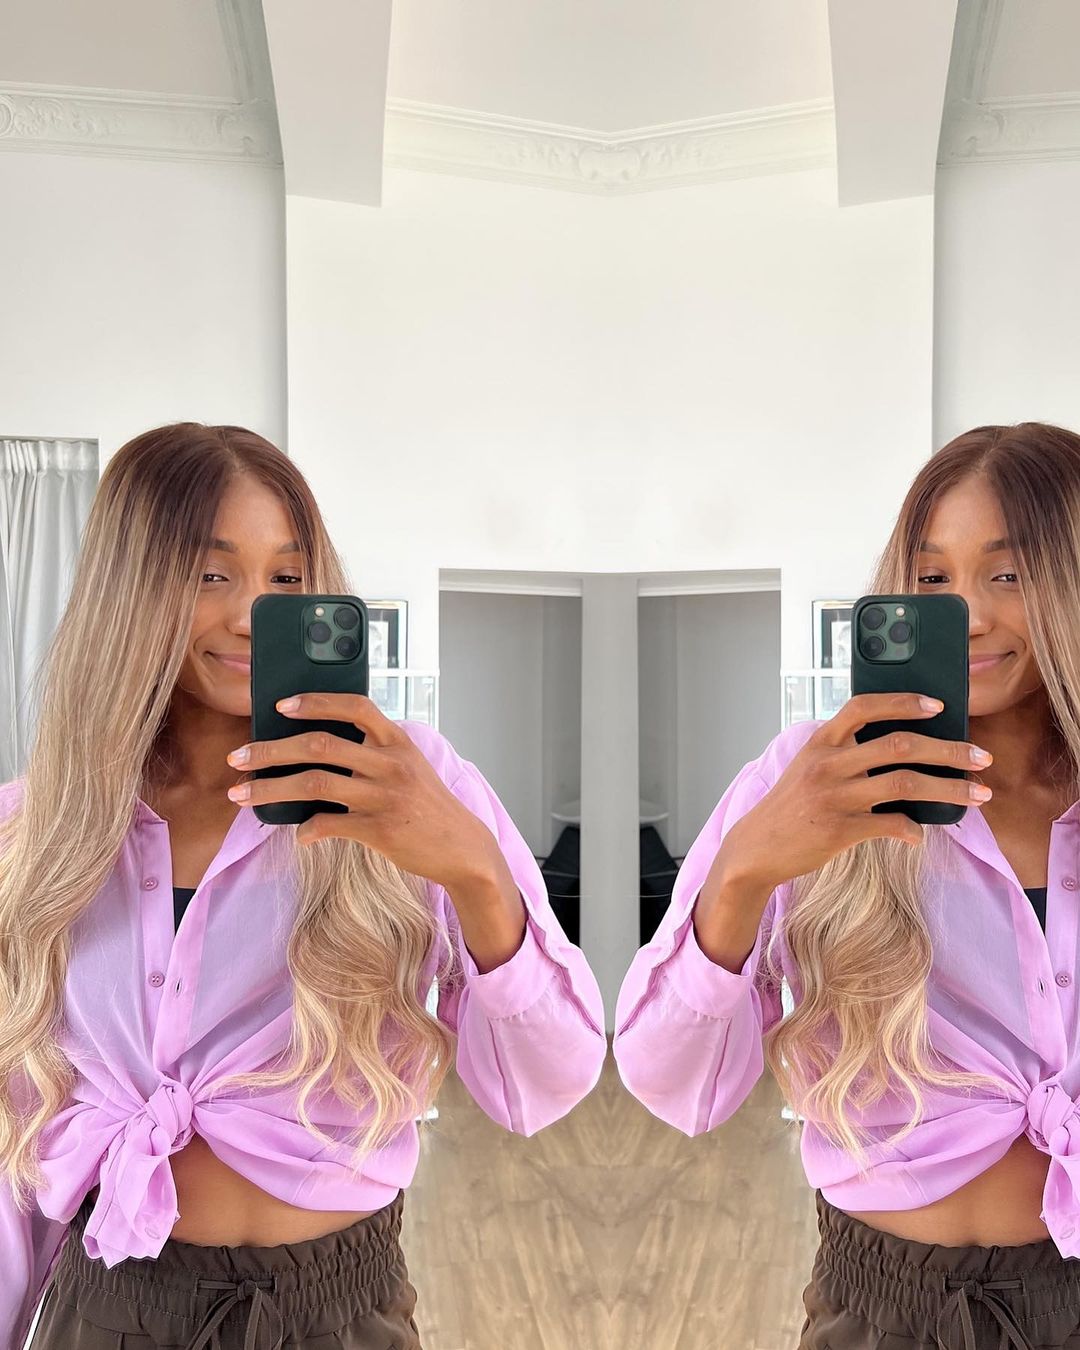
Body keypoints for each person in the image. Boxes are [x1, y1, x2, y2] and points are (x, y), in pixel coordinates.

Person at [0, 423, 606, 1350]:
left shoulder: (413, 784)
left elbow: (542, 1087)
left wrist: (474, 872)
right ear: (130, 587)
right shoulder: (38, 829)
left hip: (337, 1309)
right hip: (108, 1307)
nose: (254, 614)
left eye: (286, 577)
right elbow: (17, 1139)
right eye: (211, 575)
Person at [614, 423, 1080, 1349]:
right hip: (883, 1306)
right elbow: (675, 1085)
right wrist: (747, 871)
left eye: (1008, 574)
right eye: (933, 577)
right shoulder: (809, 778)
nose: (967, 615)